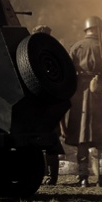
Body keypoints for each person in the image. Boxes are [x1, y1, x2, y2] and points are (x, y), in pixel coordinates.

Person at [65, 16, 102, 187]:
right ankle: (101, 178)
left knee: (82, 138)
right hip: (99, 97)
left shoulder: (75, 47)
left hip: (79, 97)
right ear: (98, 29)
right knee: (101, 138)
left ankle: (83, 178)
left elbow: (67, 72)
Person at [32, 24, 63, 185]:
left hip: (48, 101)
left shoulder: (52, 55)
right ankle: (45, 174)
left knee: (50, 139)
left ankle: (51, 175)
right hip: (40, 101)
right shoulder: (52, 54)